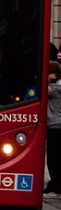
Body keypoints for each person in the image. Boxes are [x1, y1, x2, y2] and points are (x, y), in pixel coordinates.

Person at [46, 60, 61, 194]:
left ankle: (55, 184)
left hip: (54, 126)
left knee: (53, 158)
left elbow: (41, 90)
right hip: (58, 125)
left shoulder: (53, 89)